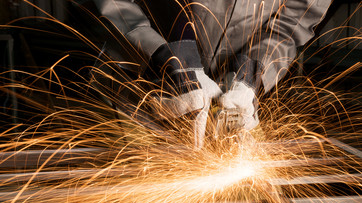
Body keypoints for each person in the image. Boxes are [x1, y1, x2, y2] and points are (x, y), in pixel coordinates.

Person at [73, 0, 331, 145]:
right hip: (140, 80)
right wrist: (170, 60)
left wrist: (248, 77)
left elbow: (292, 20)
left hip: (229, 95)